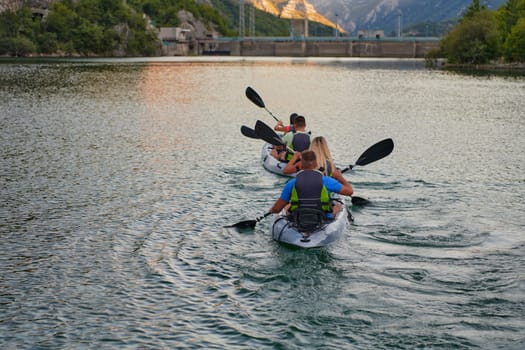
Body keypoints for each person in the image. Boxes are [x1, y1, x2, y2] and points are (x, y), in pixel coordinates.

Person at [269, 150, 353, 220]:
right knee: (337, 206)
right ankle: (333, 214)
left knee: (287, 207)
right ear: (316, 164)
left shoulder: (292, 183)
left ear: (301, 165)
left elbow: (277, 208)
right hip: (322, 217)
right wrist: (339, 176)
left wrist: (272, 210)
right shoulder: (327, 181)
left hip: (297, 217)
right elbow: (349, 192)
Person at [283, 136, 351, 189]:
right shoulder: (331, 166)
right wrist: (338, 175)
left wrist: (295, 157)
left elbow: (286, 171)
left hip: (306, 191)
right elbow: (348, 188)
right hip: (325, 194)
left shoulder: (304, 163)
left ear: (312, 146)